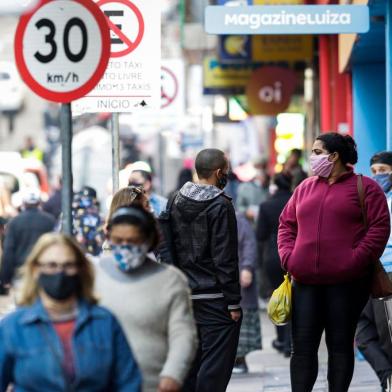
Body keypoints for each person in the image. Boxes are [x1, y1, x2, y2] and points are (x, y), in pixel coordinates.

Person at [278, 133, 390, 392]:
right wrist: (289, 257)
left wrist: (354, 261)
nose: (313, 156)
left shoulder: (366, 187)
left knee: (340, 347)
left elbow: (379, 229)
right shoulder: (305, 187)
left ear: (334, 156)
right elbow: (286, 224)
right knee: (302, 348)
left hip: (347, 283)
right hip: (304, 282)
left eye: (317, 151)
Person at [0, 233, 141, 390]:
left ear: (80, 270)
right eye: (51, 265)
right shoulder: (13, 328)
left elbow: (129, 382)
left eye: (68, 265)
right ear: (35, 270)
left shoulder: (105, 322)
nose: (60, 272)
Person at [95, 206, 197, 392]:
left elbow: (183, 335)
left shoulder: (171, 280)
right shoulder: (93, 275)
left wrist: (173, 374)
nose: (125, 246)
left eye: (133, 241)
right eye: (118, 240)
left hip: (153, 384)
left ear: (149, 240)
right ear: (109, 238)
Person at [167, 148, 242, 392]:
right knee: (215, 367)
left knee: (190, 362)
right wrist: (233, 302)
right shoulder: (221, 205)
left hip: (184, 296)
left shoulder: (174, 199)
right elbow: (225, 258)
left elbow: (167, 247)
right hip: (216, 298)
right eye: (226, 170)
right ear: (219, 172)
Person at [356, 151, 392, 392]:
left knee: (386, 334)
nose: (378, 176)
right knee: (362, 335)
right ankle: (387, 376)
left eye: (384, 171)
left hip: (387, 274)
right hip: (363, 273)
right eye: (375, 171)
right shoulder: (367, 198)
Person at [257, 173, 293, 357]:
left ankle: (281, 339)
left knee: (278, 296)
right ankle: (291, 341)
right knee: (295, 296)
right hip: (295, 254)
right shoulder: (297, 200)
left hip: (273, 255)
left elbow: (260, 235)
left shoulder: (266, 205)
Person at [0, 188, 55, 287]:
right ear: (39, 203)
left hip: (21, 271)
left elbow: (9, 250)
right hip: (43, 269)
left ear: (24, 203)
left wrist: (5, 277)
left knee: (22, 299)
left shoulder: (15, 222)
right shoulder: (49, 221)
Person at [233, 212, 262, 374]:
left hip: (240, 279)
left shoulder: (238, 219)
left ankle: (240, 360)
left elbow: (249, 244)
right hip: (227, 281)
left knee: (241, 321)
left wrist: (247, 267)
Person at [72, 186, 104, 257]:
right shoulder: (72, 213)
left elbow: (100, 238)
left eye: (87, 198)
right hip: (78, 252)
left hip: (89, 253)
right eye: (83, 198)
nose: (84, 200)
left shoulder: (98, 216)